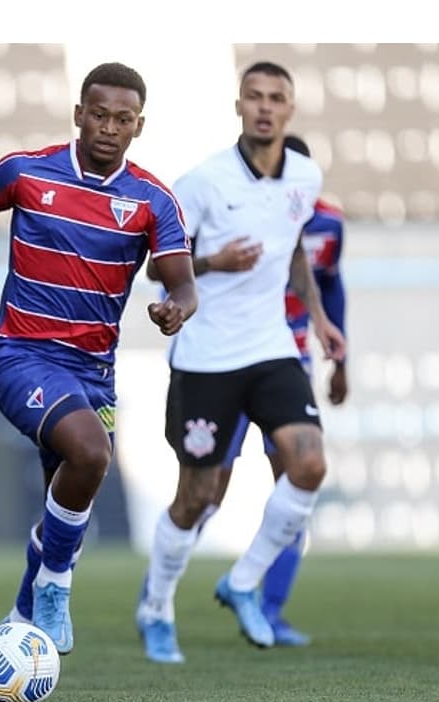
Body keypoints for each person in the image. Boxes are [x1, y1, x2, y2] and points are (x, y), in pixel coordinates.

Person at [0, 61, 198, 654]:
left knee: (65, 496)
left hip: (94, 372)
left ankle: (23, 620)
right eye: (98, 115)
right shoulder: (25, 172)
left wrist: (176, 307)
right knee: (92, 453)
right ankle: (56, 588)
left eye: (123, 119)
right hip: (21, 354)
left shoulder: (152, 200)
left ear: (139, 126)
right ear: (78, 114)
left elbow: (183, 284)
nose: (108, 128)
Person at [134, 61, 346, 664]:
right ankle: (156, 607)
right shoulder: (202, 182)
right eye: (254, 96)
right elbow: (158, 269)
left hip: (271, 347)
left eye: (276, 98)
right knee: (198, 495)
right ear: (239, 105)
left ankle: (244, 581)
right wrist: (213, 262)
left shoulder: (305, 175)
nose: (264, 107)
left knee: (308, 464)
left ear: (290, 110)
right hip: (206, 357)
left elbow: (294, 250)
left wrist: (320, 317)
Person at [193, 133, 348, 648]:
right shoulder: (233, 208)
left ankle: (269, 609)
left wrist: (338, 355)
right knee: (209, 489)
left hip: (289, 360)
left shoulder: (327, 223)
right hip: (228, 358)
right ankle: (161, 597)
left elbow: (331, 282)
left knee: (297, 480)